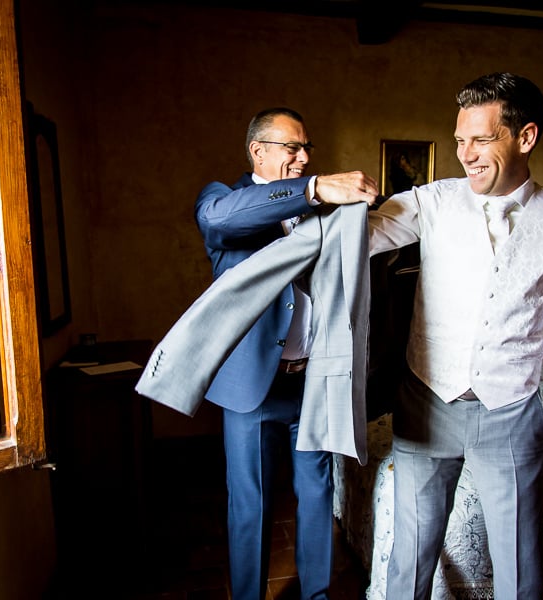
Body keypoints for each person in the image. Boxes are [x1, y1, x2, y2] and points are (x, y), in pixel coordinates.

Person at [366, 73, 543, 599]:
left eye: (481, 139)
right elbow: (358, 239)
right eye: (459, 141)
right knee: (408, 564)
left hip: (512, 414)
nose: (465, 154)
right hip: (425, 401)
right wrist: (309, 196)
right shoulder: (430, 201)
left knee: (521, 570)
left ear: (525, 137)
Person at [194, 107, 378, 600]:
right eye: (291, 148)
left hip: (312, 383)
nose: (302, 158)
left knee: (318, 495)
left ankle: (316, 594)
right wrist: (314, 186)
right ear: (258, 151)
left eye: (306, 149)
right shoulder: (222, 201)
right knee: (251, 504)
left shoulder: (322, 213)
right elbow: (224, 219)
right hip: (252, 386)